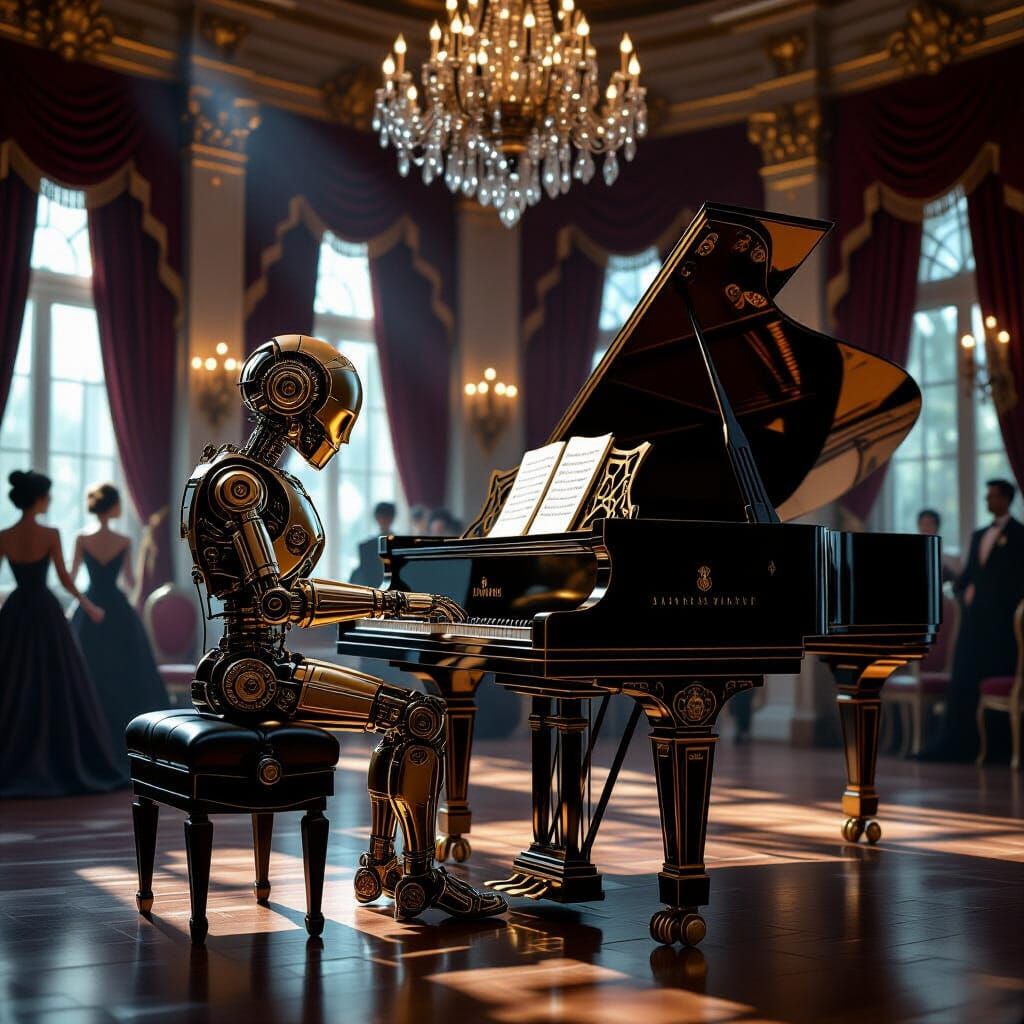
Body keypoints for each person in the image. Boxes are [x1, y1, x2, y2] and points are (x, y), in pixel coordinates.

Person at [183, 335, 505, 922]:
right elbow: (276, 600)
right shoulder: (242, 482)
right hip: (253, 672)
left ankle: (384, 864)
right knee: (420, 717)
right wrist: (400, 604)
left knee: (402, 719)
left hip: (250, 663)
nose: (342, 432)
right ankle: (422, 879)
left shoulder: (243, 473)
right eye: (340, 413)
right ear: (295, 394)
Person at [0, 470, 125, 797]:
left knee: (12, 680)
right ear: (38, 499)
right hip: (44, 610)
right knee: (55, 682)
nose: (50, 501)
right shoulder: (50, 533)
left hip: (15, 612)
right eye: (47, 496)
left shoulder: (5, 535)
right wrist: (87, 604)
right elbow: (66, 581)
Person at [920, 479, 1024, 761]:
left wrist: (987, 595)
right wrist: (961, 589)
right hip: (974, 624)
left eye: (992, 496)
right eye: (987, 496)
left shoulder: (1019, 535)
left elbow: (1016, 581)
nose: (987, 501)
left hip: (1000, 628)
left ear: (1006, 499)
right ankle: (958, 744)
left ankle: (997, 749)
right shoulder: (979, 534)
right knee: (964, 680)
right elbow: (969, 574)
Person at [70, 483, 170, 769]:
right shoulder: (124, 540)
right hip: (116, 608)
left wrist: (82, 604)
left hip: (90, 609)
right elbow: (129, 583)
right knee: (124, 673)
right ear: (112, 507)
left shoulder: (82, 538)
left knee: (89, 669)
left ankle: (89, 737)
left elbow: (73, 577)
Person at [349, 501, 396, 587]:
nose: (384, 520)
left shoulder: (401, 544)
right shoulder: (366, 547)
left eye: (387, 516)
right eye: (381, 517)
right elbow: (365, 574)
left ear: (392, 518)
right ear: (377, 518)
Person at [916, 508, 959, 586]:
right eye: (922, 524)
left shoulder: (947, 555)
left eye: (929, 524)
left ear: (937, 527)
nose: (925, 528)